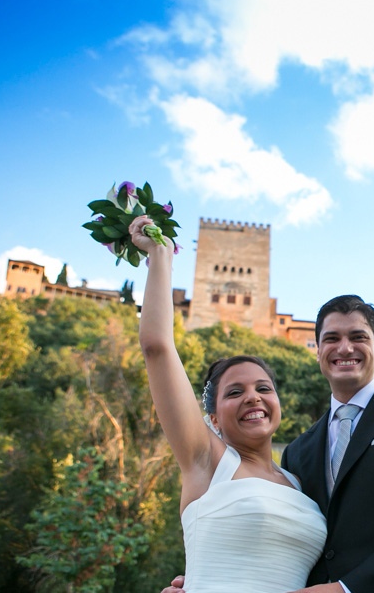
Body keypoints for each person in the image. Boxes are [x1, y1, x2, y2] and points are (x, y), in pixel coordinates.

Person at [165, 294, 374, 593]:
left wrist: (348, 589)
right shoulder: (298, 451)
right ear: (317, 350)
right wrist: (204, 578)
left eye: (358, 337)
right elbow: (290, 540)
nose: (344, 348)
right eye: (331, 339)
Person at [131, 215, 326, 593]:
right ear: (213, 418)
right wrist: (160, 255)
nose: (253, 396)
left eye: (263, 388)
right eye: (234, 393)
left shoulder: (299, 481)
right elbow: (156, 346)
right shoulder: (206, 459)